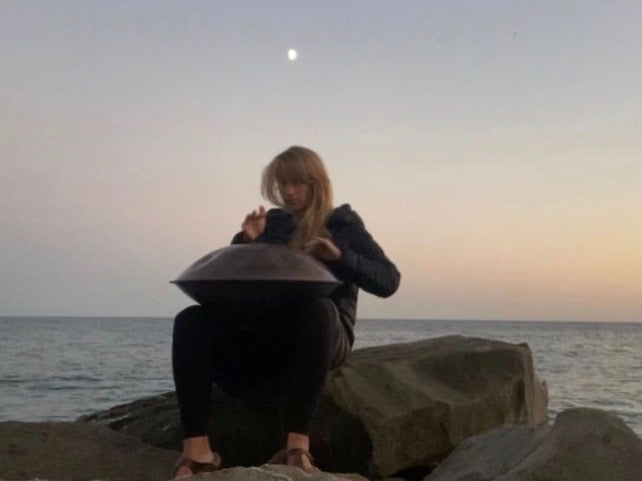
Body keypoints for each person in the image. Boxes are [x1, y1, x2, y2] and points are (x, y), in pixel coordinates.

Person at [171, 146, 400, 478]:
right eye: (283, 185)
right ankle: (197, 451)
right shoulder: (272, 224)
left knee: (315, 308)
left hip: (320, 333)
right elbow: (238, 281)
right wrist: (244, 242)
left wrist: (338, 255)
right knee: (191, 319)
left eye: (298, 184)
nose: (290, 193)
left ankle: (297, 447)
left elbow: (388, 280)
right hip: (266, 338)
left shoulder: (342, 223)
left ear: (316, 183)